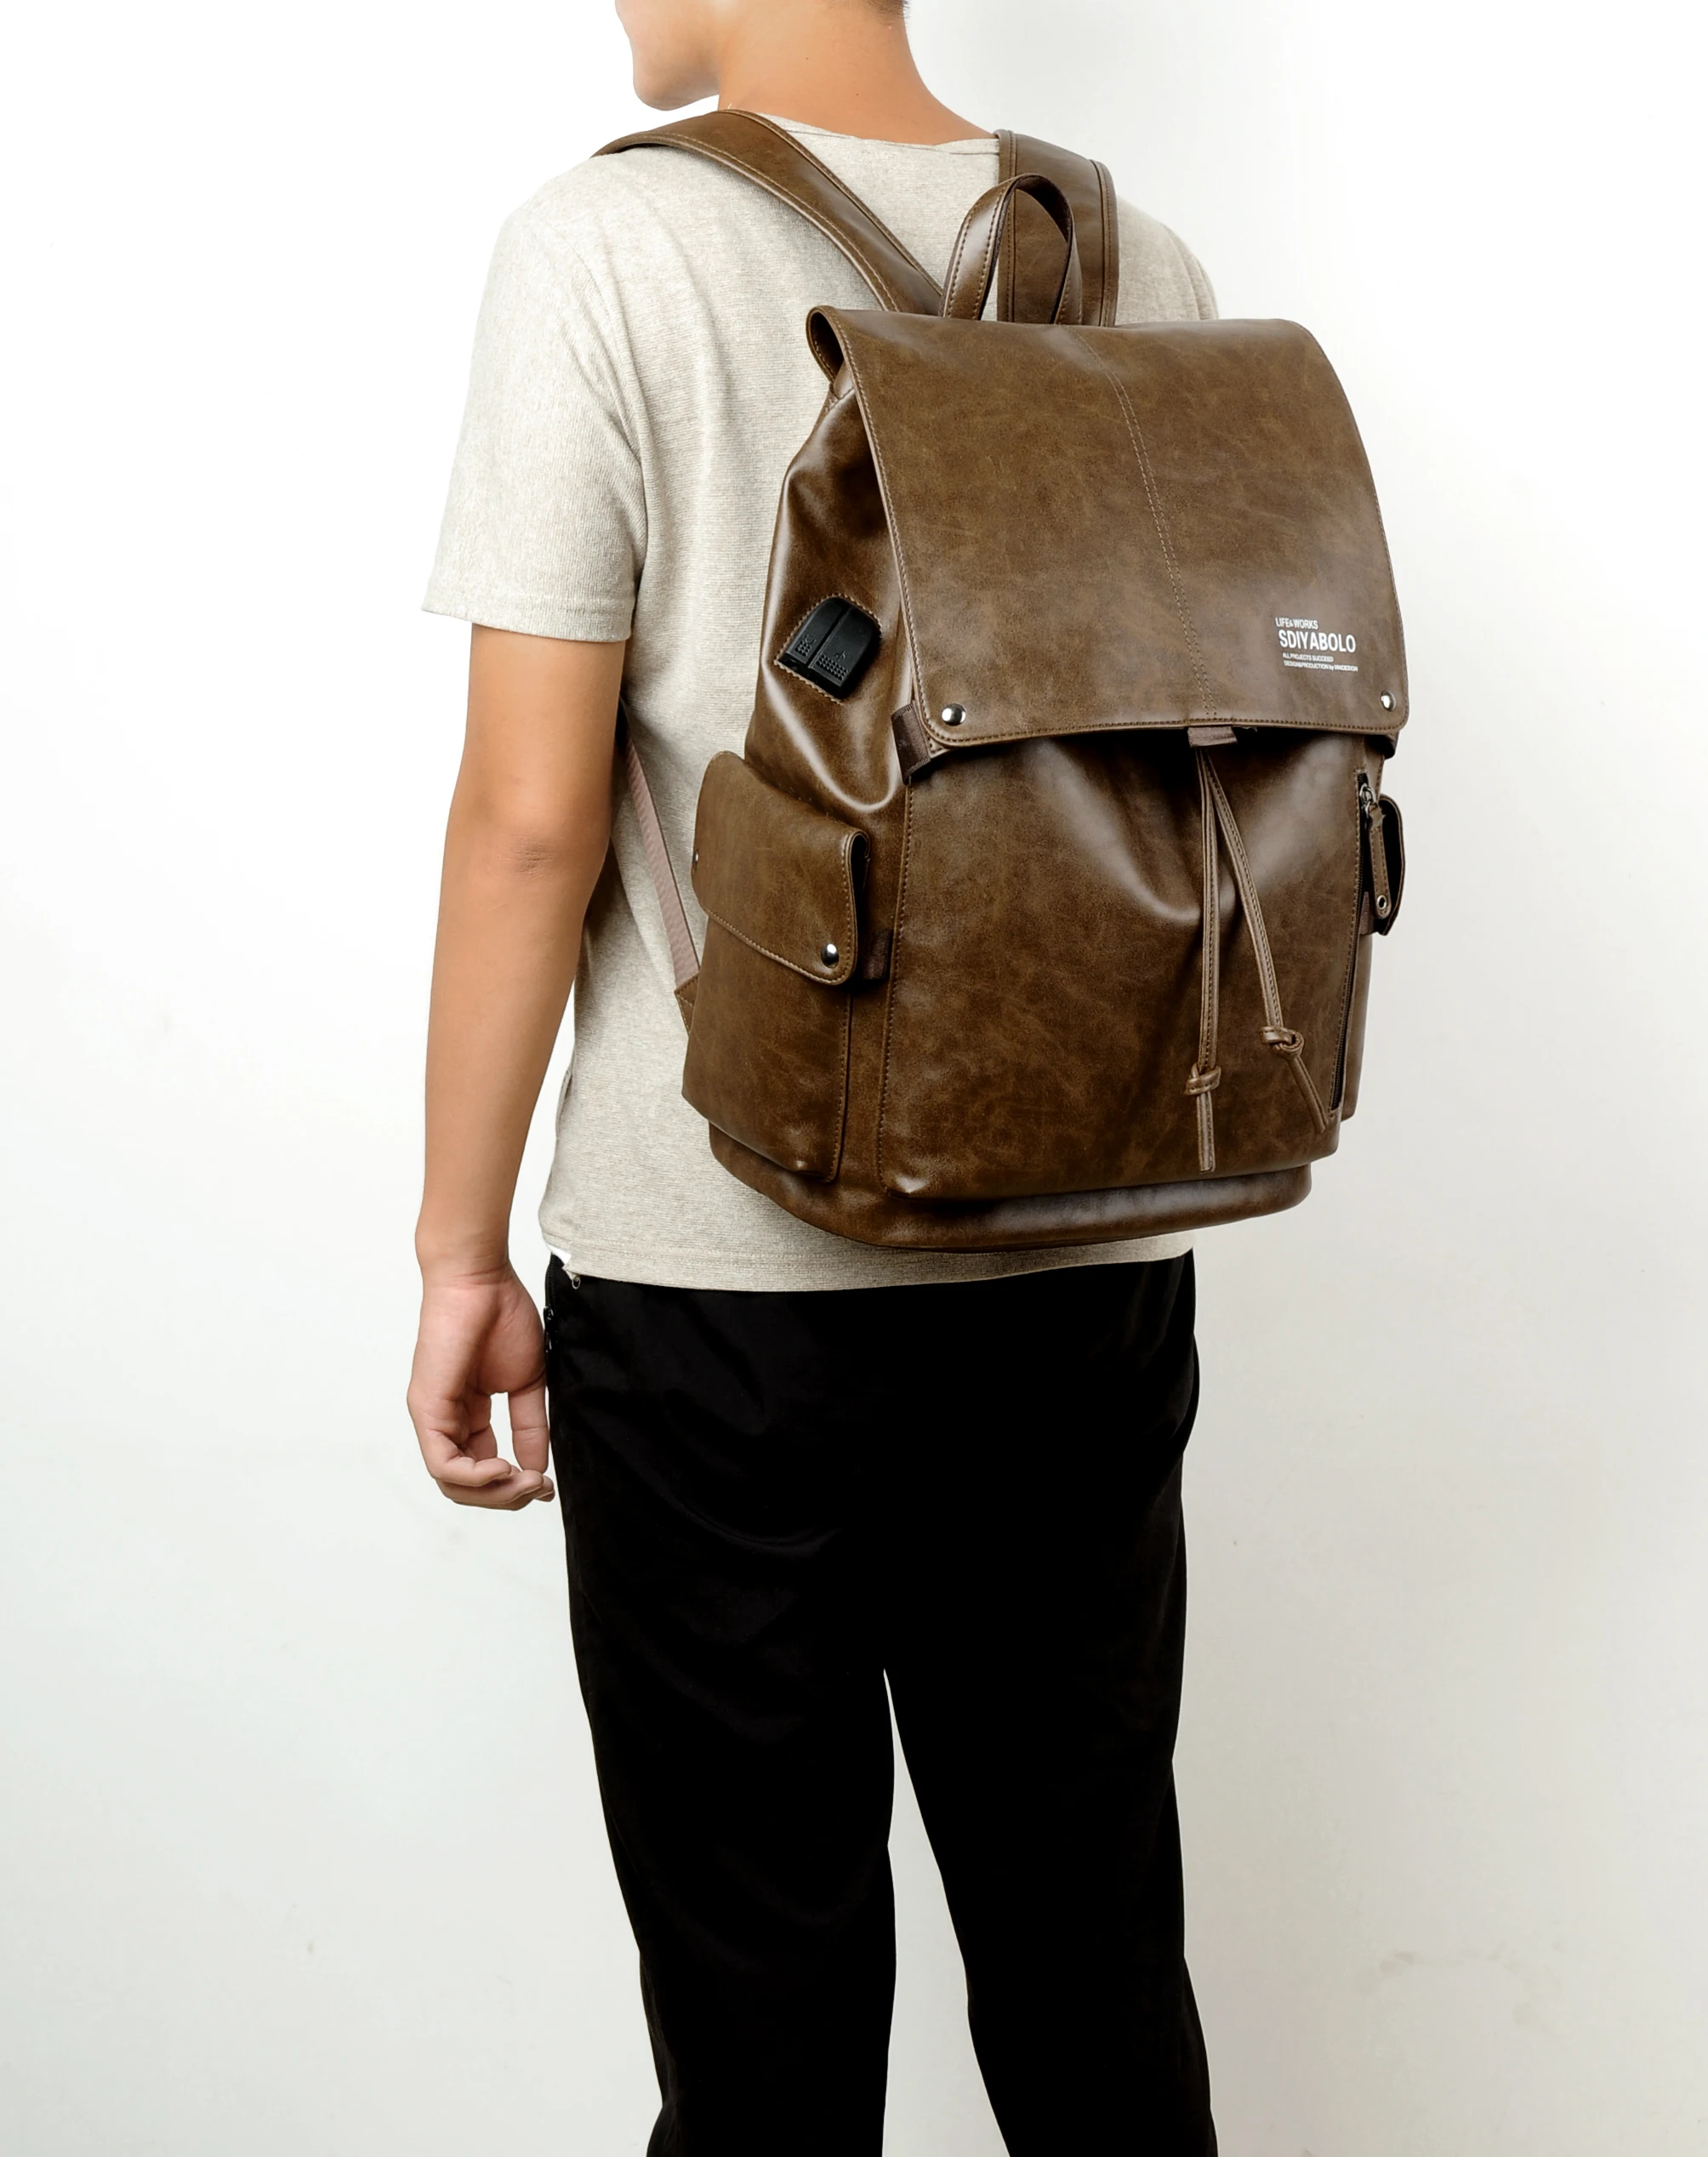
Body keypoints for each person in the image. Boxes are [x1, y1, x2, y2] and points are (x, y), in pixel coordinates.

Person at [407, 2, 1221, 2149]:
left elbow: (527, 821)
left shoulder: (607, 251)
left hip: (722, 1287)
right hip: (1086, 1251)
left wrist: (458, 1250)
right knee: (1092, 1970)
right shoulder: (1133, 262)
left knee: (760, 2021)